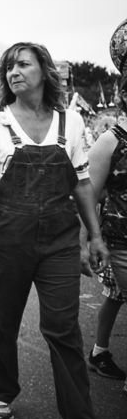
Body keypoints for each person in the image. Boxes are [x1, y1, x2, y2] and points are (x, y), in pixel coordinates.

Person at [0, 41, 113, 419]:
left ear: (44, 71)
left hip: (60, 238)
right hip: (7, 233)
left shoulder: (72, 121)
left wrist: (96, 236)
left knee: (63, 329)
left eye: (23, 65)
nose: (14, 72)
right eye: (9, 67)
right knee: (2, 318)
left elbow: (82, 183)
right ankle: (0, 388)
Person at [86, 116, 127, 385]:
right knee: (114, 295)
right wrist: (90, 241)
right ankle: (99, 353)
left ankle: (99, 352)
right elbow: (89, 194)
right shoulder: (111, 141)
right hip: (120, 240)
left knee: (114, 296)